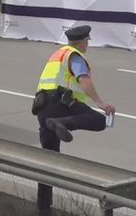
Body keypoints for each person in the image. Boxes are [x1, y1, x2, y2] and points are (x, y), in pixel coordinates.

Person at [32, 25, 116, 213]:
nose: (88, 44)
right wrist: (100, 102)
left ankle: (43, 210)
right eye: (87, 41)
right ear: (81, 42)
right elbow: (83, 80)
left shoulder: (58, 54)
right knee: (99, 121)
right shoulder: (74, 56)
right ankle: (63, 124)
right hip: (61, 105)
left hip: (42, 110)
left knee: (48, 162)